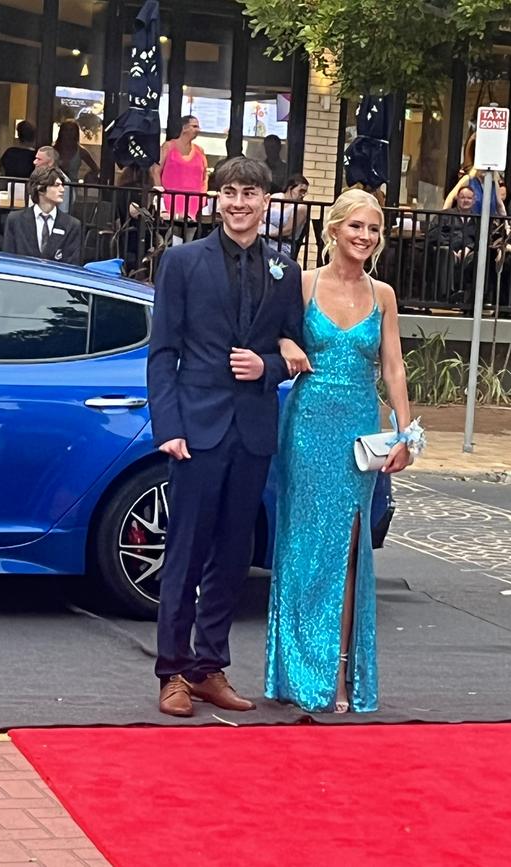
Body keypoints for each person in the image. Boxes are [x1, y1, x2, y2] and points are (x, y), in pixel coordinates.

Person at [147, 157, 304, 718]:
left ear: (267, 202)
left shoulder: (285, 270)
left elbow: (295, 350)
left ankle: (209, 667)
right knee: (185, 552)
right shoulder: (183, 263)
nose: (240, 203)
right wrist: (169, 427)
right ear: (217, 200)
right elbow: (163, 352)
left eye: (251, 194)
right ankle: (172, 672)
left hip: (254, 431)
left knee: (234, 557)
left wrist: (270, 368)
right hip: (197, 429)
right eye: (231, 193)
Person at [265, 188, 413, 714]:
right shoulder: (303, 286)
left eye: (374, 230)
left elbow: (393, 367)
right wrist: (286, 345)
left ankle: (339, 674)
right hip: (306, 428)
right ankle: (299, 671)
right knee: (306, 547)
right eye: (356, 227)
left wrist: (405, 432)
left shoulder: (384, 295)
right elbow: (273, 339)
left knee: (349, 554)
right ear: (334, 231)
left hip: (358, 432)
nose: (365, 237)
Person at [2, 166, 81, 265]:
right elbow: (8, 260)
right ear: (40, 188)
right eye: (56, 185)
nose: (62, 190)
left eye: (62, 185)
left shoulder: (72, 225)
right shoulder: (15, 220)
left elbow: (72, 265)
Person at [426, 185, 478, 303]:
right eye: (462, 197)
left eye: (469, 198)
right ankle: (448, 295)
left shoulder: (477, 219)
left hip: (468, 253)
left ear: (474, 200)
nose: (465, 200)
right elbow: (433, 234)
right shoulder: (445, 215)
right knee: (445, 252)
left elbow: (480, 239)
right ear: (457, 199)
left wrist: (468, 248)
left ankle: (470, 297)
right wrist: (450, 247)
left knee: (478, 257)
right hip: (447, 250)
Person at [152, 115, 208, 221]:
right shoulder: (168, 146)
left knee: (191, 232)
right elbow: (156, 171)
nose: (198, 130)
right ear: (184, 128)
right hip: (170, 200)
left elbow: (205, 177)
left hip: (194, 202)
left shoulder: (199, 151)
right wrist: (161, 195)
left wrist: (203, 197)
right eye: (194, 126)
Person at [260, 173, 309, 258]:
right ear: (290, 188)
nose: (303, 195)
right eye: (301, 191)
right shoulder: (276, 197)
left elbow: (288, 230)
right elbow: (260, 215)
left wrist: (265, 233)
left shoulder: (301, 207)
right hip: (261, 239)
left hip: (281, 244)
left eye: (305, 192)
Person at [33, 146, 72, 213]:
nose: (34, 162)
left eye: (39, 159)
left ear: (50, 162)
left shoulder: (63, 181)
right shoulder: (38, 177)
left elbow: (63, 210)